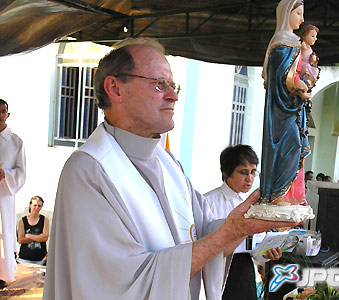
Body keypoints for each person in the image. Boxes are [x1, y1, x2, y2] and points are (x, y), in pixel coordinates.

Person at [43, 38, 300, 300]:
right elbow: (119, 284)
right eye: (159, 84)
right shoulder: (88, 170)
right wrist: (231, 231)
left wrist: (247, 223)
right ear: (115, 89)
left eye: (173, 86)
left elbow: (207, 240)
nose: (173, 96)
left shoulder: (169, 164)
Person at [205, 145, 282, 300]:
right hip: (216, 271)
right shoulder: (207, 202)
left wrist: (267, 253)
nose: (250, 179)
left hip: (245, 270)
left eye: (253, 172)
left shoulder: (254, 205)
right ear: (225, 172)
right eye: (243, 172)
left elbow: (257, 246)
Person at [260, 0, 311, 205]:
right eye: (298, 13)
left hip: (294, 106)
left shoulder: (294, 42)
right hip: (282, 108)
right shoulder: (282, 43)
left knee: (297, 146)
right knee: (289, 144)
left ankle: (291, 195)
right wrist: (299, 86)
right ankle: (277, 194)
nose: (302, 19)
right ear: (287, 13)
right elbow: (281, 77)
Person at [0, 99, 26, 289]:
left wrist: (6, 175)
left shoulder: (16, 142)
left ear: (8, 115)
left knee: (3, 232)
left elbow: (22, 172)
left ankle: (2, 273)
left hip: (4, 195)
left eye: (3, 112)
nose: (0, 116)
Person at [17, 196, 49, 265]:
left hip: (40, 259)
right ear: (30, 205)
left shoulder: (45, 220)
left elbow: (45, 237)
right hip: (24, 259)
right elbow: (20, 240)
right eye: (35, 205)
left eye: (39, 206)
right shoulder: (22, 221)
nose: (37, 208)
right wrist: (39, 237)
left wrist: (28, 236)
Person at [298, 24, 320, 90]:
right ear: (304, 36)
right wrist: (304, 50)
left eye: (315, 36)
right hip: (302, 66)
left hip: (309, 65)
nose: (315, 39)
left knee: (315, 70)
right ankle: (306, 80)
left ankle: (310, 81)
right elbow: (300, 59)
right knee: (306, 66)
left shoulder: (310, 48)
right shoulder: (303, 46)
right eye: (312, 36)